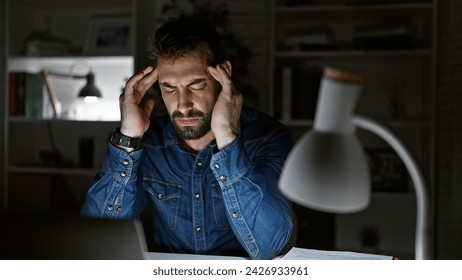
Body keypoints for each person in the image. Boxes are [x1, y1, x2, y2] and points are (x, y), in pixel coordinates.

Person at [81, 15, 294, 260]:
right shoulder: (150, 142)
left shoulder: (267, 138)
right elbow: (99, 239)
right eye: (169, 89)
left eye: (196, 86)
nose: (182, 105)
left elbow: (272, 248)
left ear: (222, 75)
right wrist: (128, 138)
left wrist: (227, 137)